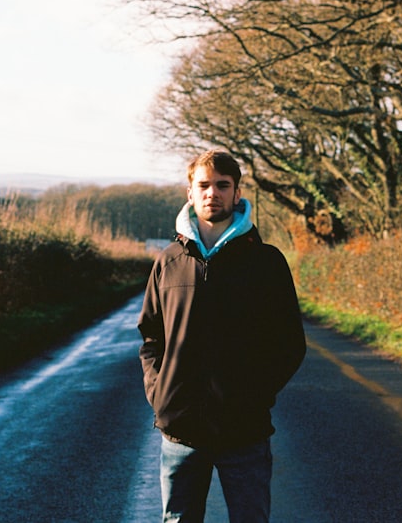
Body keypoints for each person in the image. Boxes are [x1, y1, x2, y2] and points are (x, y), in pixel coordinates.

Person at [138, 149, 306, 523]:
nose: (212, 193)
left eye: (222, 185)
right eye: (204, 185)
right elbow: (151, 337)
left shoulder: (267, 263)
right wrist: (159, 392)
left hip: (244, 430)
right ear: (191, 192)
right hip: (181, 430)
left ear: (237, 192)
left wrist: (256, 394)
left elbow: (289, 343)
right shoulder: (168, 261)